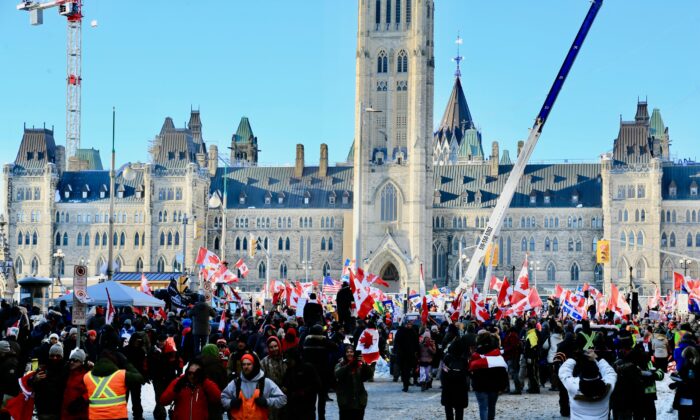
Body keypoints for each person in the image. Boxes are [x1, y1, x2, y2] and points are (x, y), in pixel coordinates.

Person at [221, 353, 287, 420]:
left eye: (249, 364)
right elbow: (223, 398)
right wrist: (231, 403)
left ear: (254, 365)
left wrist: (267, 402)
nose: (246, 367)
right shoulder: (236, 383)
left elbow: (282, 399)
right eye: (244, 364)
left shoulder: (265, 382)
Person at [84, 349, 144, 420]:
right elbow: (140, 378)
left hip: (95, 417)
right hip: (118, 416)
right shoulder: (122, 375)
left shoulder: (87, 377)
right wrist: (126, 363)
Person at [558, 349, 617, 420]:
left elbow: (563, 372)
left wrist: (573, 358)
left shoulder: (573, 386)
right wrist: (596, 358)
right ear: (598, 373)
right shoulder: (608, 387)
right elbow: (610, 372)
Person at [469, 333, 509, 420]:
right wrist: (503, 387)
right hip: (494, 386)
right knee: (492, 407)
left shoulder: (476, 354)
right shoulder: (497, 354)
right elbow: (502, 372)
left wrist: (473, 382)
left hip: (480, 386)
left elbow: (470, 369)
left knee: (483, 408)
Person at [303, 324, 338, 419]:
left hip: (310, 376)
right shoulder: (324, 342)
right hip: (323, 375)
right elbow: (335, 347)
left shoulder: (307, 342)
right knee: (321, 400)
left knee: (311, 400)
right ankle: (321, 417)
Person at [148, 336, 183, 420]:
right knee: (159, 396)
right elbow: (149, 363)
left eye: (162, 341)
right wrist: (149, 375)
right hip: (157, 378)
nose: (161, 343)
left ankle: (172, 412)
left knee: (172, 396)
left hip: (170, 377)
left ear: (165, 341)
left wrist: (179, 371)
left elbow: (179, 361)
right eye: (159, 341)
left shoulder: (172, 350)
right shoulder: (153, 350)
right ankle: (160, 415)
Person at [282, 347, 321, 420]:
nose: (288, 362)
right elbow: (286, 384)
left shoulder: (308, 368)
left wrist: (304, 392)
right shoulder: (289, 370)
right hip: (292, 409)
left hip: (307, 409)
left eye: (289, 360)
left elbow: (317, 385)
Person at [334, 345, 372, 420]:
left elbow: (369, 375)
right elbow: (337, 374)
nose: (349, 354)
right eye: (347, 352)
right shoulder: (340, 364)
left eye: (351, 352)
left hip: (358, 402)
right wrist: (348, 365)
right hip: (345, 402)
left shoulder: (359, 365)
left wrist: (364, 364)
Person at [440, 326, 470, 420]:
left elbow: (443, 373)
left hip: (448, 386)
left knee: (448, 409)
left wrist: (444, 383)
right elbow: (467, 373)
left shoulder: (447, 358)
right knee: (459, 409)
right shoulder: (464, 360)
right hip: (460, 386)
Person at [31, 344, 66, 420]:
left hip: (58, 409)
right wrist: (35, 379)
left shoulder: (66, 369)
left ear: (62, 356)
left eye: (58, 356)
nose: (55, 358)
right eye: (52, 355)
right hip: (44, 409)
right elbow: (30, 384)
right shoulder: (43, 369)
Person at [121, 331, 149, 420]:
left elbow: (143, 366)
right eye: (136, 341)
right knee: (125, 398)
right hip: (126, 377)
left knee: (136, 399)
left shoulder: (140, 351)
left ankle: (137, 415)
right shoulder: (126, 350)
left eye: (139, 341)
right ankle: (123, 415)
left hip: (134, 378)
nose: (137, 342)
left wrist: (143, 376)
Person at [670, 345, 700, 419]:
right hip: (686, 399)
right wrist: (676, 383)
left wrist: (679, 383)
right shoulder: (685, 366)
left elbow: (687, 381)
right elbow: (682, 378)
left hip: (691, 399)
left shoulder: (694, 367)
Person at [200, 344, 228, 420]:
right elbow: (224, 386)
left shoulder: (199, 366)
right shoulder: (220, 367)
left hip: (200, 401)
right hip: (216, 403)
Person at [61, 349, 90, 420]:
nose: (72, 362)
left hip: (79, 415)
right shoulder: (69, 373)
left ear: (82, 362)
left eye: (75, 360)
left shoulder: (86, 376)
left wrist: (80, 401)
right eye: (71, 360)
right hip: (66, 414)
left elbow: (91, 392)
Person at [394, 319, 419, 392]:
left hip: (410, 355)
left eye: (410, 324)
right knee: (404, 371)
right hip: (402, 355)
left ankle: (408, 383)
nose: (409, 325)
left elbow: (416, 343)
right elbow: (397, 342)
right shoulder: (401, 331)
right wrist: (397, 351)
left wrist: (417, 352)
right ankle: (406, 384)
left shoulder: (413, 332)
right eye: (408, 324)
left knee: (408, 370)